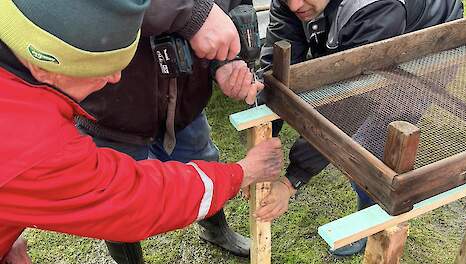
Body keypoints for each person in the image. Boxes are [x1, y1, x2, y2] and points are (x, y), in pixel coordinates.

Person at [0, 0, 283, 262]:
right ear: (45, 68)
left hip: (183, 101)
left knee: (199, 154)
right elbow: (132, 200)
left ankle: (215, 229)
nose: (115, 76)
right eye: (101, 68)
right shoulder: (33, 148)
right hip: (119, 117)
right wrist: (241, 173)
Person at [254, 0, 464, 256]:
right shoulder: (291, 3)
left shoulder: (373, 9)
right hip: (369, 37)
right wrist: (263, 145)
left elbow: (346, 106)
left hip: (430, 41)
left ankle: (369, 223)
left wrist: (291, 180)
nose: (295, 4)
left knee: (372, 149)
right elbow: (277, 70)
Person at [76, 0, 264, 262]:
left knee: (202, 161)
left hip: (184, 100)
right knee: (116, 196)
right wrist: (194, 14)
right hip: (115, 108)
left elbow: (231, 6)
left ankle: (216, 230)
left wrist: (224, 62)